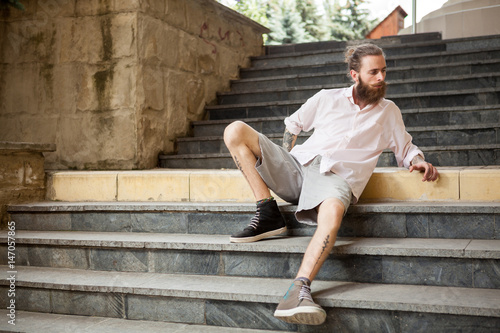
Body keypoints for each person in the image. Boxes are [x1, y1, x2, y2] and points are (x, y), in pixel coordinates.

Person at [223, 43, 439, 326]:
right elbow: (293, 125)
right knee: (235, 130)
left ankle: (299, 289)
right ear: (354, 74)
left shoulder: (389, 112)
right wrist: (284, 157)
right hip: (300, 167)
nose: (381, 78)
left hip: (337, 178)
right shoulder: (327, 98)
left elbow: (405, 147)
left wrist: (418, 159)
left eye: (383, 71)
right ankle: (267, 211)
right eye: (373, 72)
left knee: (333, 215)